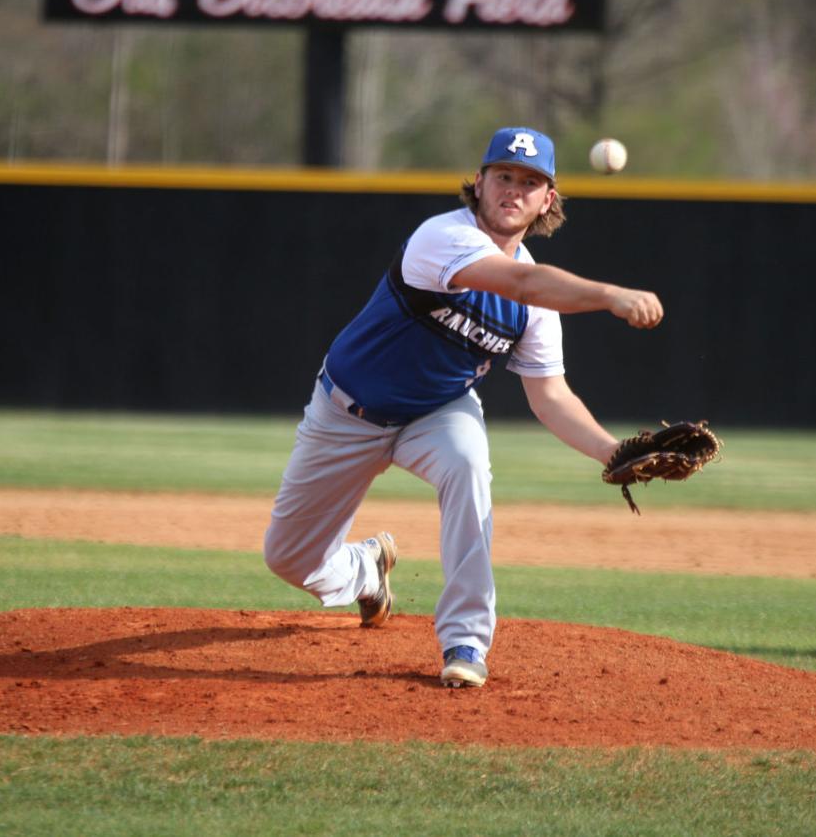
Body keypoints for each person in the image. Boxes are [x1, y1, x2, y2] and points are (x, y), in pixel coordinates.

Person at [263, 126, 664, 688]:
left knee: (469, 465)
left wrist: (612, 450)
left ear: (547, 201)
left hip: (438, 413)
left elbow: (550, 395)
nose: (513, 190)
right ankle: (364, 570)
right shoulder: (442, 237)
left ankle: (466, 642)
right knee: (289, 560)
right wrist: (607, 295)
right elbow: (520, 282)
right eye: (503, 176)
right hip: (346, 412)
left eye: (530, 182)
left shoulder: (537, 310)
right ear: (478, 183)